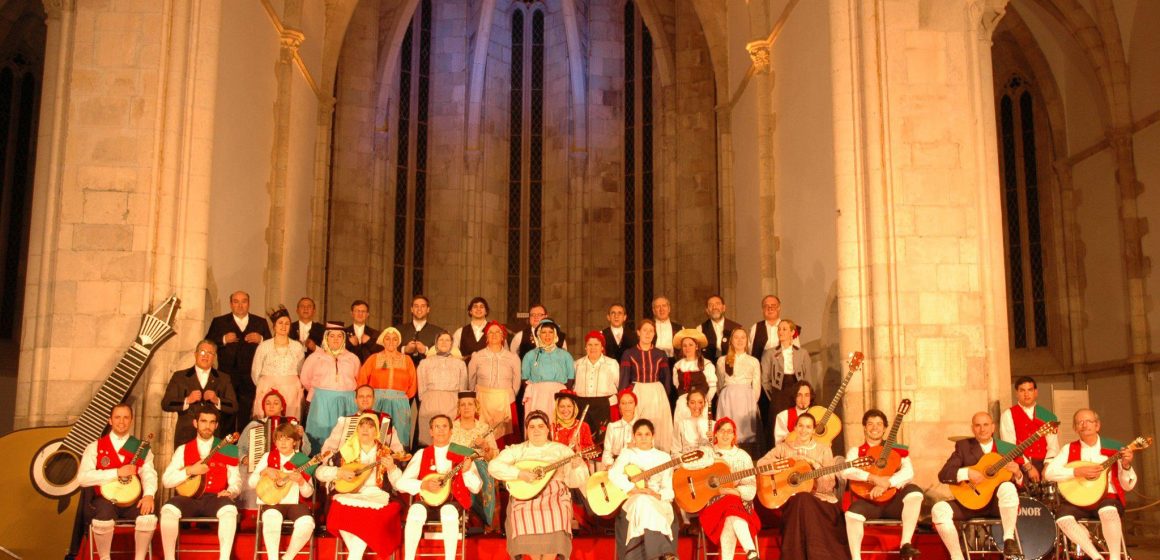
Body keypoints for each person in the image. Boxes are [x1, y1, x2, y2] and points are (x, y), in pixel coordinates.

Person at [488, 411, 590, 560]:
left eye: (541, 426)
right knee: (522, 514)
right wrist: (520, 474)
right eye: (532, 427)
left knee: (556, 514)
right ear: (527, 430)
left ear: (548, 429)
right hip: (525, 499)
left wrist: (576, 466)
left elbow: (574, 481)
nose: (536, 430)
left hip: (555, 498)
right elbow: (493, 467)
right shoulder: (518, 450)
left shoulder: (561, 450)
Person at [930, 412, 1025, 560]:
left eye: (986, 425)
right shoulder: (964, 446)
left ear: (993, 427)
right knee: (939, 510)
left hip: (997, 505)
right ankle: (957, 556)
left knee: (1008, 487)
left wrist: (1018, 473)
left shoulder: (1007, 449)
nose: (982, 429)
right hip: (970, 504)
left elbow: (1025, 486)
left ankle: (1008, 540)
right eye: (978, 425)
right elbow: (944, 474)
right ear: (972, 429)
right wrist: (967, 473)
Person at [1045, 408, 1137, 560]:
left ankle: (1114, 557)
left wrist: (1126, 465)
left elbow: (1127, 485)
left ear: (1097, 425)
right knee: (1062, 517)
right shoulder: (1069, 449)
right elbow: (1049, 473)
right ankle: (1096, 557)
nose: (1084, 425)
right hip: (1079, 500)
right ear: (1075, 428)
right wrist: (1077, 472)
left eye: (1089, 421)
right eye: (1080, 422)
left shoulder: (1115, 448)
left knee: (1107, 509)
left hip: (1107, 497)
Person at [757, 412, 847, 560]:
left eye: (808, 427)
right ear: (794, 428)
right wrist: (786, 465)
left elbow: (830, 483)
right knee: (801, 499)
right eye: (800, 426)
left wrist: (815, 466)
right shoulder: (784, 448)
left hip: (820, 501)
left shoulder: (823, 449)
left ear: (813, 430)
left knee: (804, 498)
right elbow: (761, 464)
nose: (804, 430)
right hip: (793, 502)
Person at [314, 414, 404, 560]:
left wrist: (393, 468)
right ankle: (355, 555)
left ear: (376, 431)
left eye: (370, 426)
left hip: (376, 496)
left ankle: (354, 556)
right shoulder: (346, 451)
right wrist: (339, 472)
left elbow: (400, 485)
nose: (365, 430)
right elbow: (319, 473)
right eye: (362, 426)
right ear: (357, 429)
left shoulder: (387, 453)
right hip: (348, 494)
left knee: (364, 518)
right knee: (338, 509)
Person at [77, 404, 157, 560]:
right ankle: (105, 558)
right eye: (117, 417)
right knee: (103, 515)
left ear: (131, 421)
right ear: (110, 421)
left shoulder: (141, 447)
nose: (122, 421)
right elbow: (82, 478)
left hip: (133, 501)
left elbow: (149, 473)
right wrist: (116, 472)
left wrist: (148, 495)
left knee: (148, 516)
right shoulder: (95, 447)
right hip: (104, 500)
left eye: (126, 417)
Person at [397, 415, 483, 560]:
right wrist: (422, 484)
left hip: (452, 501)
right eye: (437, 426)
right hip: (426, 502)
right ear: (431, 431)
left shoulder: (463, 454)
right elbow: (400, 484)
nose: (441, 430)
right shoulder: (422, 454)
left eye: (444, 426)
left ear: (451, 431)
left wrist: (467, 471)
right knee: (414, 511)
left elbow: (476, 488)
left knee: (448, 512)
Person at [159, 409, 240, 560]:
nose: (207, 426)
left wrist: (231, 491)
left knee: (230, 510)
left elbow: (236, 481)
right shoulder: (183, 449)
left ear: (216, 425)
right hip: (189, 499)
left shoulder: (228, 449)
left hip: (215, 498)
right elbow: (166, 480)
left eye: (211, 422)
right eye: (203, 421)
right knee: (168, 509)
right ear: (195, 423)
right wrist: (189, 470)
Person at [842, 409, 923, 560]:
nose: (875, 427)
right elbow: (846, 471)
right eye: (870, 424)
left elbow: (909, 472)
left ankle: (905, 545)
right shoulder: (857, 451)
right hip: (868, 503)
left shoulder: (898, 450)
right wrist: (873, 478)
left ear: (885, 428)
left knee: (915, 492)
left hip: (893, 503)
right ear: (864, 427)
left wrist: (887, 483)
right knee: (852, 513)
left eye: (879, 424)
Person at [609, 419, 677, 560]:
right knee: (641, 501)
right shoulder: (628, 453)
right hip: (633, 499)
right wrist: (633, 488)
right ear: (634, 436)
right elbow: (613, 473)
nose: (643, 438)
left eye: (647, 434)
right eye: (639, 434)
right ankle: (663, 553)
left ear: (653, 436)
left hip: (657, 500)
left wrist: (654, 494)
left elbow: (668, 490)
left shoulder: (664, 457)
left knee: (646, 503)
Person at [205, 290, 271, 432]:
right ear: (230, 304)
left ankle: (244, 446)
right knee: (226, 411)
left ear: (249, 303)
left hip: (250, 376)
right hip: (226, 376)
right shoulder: (219, 322)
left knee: (247, 412)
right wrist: (223, 339)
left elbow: (271, 345)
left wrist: (260, 339)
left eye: (244, 301)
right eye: (236, 301)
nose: (240, 305)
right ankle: (225, 446)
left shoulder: (260, 322)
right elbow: (207, 343)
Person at [249, 422, 317, 560]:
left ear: (295, 442)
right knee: (271, 518)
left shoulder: (303, 460)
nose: (283, 442)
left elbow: (308, 493)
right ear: (275, 441)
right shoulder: (268, 457)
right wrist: (265, 471)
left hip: (296, 504)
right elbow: (251, 483)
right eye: (280, 439)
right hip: (273, 502)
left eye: (287, 439)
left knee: (307, 523)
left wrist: (301, 481)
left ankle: (288, 557)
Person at [238, 389, 309, 511]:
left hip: (286, 470)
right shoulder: (254, 425)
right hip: (261, 469)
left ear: (282, 407)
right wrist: (244, 457)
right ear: (263, 407)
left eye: (276, 403)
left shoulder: (293, 425)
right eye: (268, 403)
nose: (271, 406)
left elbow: (306, 451)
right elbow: (241, 446)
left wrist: (302, 437)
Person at [699, 418, 760, 560]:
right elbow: (688, 467)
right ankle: (751, 552)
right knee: (730, 507)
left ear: (734, 435)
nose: (725, 435)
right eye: (721, 431)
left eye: (729, 431)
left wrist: (732, 491)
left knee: (730, 506)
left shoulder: (743, 456)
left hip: (739, 504)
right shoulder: (706, 452)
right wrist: (713, 462)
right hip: (712, 505)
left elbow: (751, 487)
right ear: (715, 434)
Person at [161, 340, 238, 444]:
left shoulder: (223, 378)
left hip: (213, 437)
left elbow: (234, 406)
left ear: (214, 357)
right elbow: (166, 403)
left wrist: (217, 400)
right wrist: (187, 400)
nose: (205, 356)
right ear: (195, 354)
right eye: (202, 352)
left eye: (209, 353)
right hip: (185, 435)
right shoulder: (180, 377)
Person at [300, 322, 360, 451]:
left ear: (343, 338)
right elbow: (305, 379)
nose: (336, 339)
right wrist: (322, 393)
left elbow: (357, 378)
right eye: (332, 336)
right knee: (320, 436)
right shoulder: (315, 357)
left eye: (339, 336)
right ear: (326, 338)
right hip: (321, 402)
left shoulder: (352, 358)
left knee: (345, 437)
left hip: (347, 402)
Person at [619, 319, 674, 451]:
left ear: (654, 334)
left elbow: (666, 378)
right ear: (638, 332)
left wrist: (664, 395)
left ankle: (659, 455)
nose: (648, 334)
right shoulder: (629, 353)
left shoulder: (660, 354)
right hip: (637, 392)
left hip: (656, 393)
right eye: (645, 330)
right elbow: (624, 378)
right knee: (639, 423)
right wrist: (624, 397)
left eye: (651, 331)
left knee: (658, 424)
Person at [357, 327, 418, 446]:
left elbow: (413, 385)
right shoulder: (373, 358)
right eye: (388, 339)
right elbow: (362, 380)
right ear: (383, 341)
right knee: (377, 433)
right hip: (377, 401)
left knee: (400, 433)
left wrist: (400, 397)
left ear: (399, 342)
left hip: (399, 403)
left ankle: (400, 461)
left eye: (395, 339)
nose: (391, 342)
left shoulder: (407, 359)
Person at [467, 321, 521, 444]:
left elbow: (516, 382)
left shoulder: (513, 357)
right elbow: (471, 380)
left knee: (504, 438)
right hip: (482, 400)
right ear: (486, 336)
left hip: (505, 400)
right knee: (482, 435)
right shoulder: (477, 356)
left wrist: (509, 396)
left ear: (503, 336)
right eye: (491, 332)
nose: (494, 335)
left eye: (498, 332)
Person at [450, 392, 499, 529]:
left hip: (480, 467)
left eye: (470, 404)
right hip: (457, 466)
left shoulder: (484, 428)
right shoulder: (451, 427)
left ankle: (482, 521)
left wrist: (484, 446)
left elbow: (493, 457)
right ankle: (464, 520)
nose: (466, 407)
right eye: (463, 404)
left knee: (479, 472)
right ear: (459, 408)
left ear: (476, 407)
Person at [320, 384, 409, 458]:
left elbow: (396, 447)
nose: (365, 399)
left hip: (375, 466)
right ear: (356, 400)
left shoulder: (384, 421)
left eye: (368, 396)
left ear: (374, 400)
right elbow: (328, 447)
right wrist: (334, 464)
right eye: (361, 397)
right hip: (347, 466)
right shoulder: (345, 421)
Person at [998, 375, 1059, 480]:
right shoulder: (1008, 414)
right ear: (1016, 393)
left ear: (1036, 392)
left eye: (1030, 390)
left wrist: (1047, 467)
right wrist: (1028, 467)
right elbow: (1009, 446)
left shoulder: (1049, 416)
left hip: (1045, 464)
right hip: (1019, 465)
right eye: (1022, 391)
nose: (1026, 394)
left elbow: (1053, 446)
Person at [250, 306, 306, 418]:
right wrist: (265, 384)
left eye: (287, 323)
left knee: (289, 423)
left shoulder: (297, 347)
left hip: (291, 391)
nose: (283, 326)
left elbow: (301, 371)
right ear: (274, 326)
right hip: (267, 389)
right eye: (280, 323)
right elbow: (255, 371)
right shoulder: (264, 346)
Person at [761, 319, 816, 429]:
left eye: (784, 329)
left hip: (797, 389)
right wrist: (774, 395)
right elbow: (765, 380)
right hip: (779, 392)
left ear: (792, 332)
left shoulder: (802, 353)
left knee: (798, 419)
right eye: (779, 329)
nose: (780, 332)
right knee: (777, 423)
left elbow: (808, 378)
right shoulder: (770, 353)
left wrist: (805, 395)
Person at [416, 332, 468, 445]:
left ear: (452, 344)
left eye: (447, 340)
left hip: (452, 403)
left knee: (450, 436)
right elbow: (421, 388)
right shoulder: (425, 363)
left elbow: (463, 387)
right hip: (430, 402)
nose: (444, 342)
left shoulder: (459, 364)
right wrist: (427, 399)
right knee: (430, 437)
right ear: (436, 343)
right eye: (441, 340)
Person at [716, 328, 761, 448]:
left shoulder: (753, 361)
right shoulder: (722, 361)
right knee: (727, 428)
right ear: (731, 341)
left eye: (743, 337)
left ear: (747, 341)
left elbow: (756, 386)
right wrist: (724, 396)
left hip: (746, 399)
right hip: (728, 398)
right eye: (736, 337)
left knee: (745, 432)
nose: (740, 340)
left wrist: (752, 402)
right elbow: (720, 383)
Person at [572, 330, 620, 443]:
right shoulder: (577, 364)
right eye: (590, 345)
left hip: (604, 405)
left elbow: (617, 384)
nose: (593, 348)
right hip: (582, 405)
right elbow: (573, 385)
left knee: (604, 438)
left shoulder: (612, 364)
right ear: (585, 347)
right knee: (584, 438)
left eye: (596, 345)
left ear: (602, 347)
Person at [521, 319, 575, 418]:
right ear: (538, 334)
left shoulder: (565, 355)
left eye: (550, 332)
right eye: (544, 332)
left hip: (558, 396)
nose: (547, 336)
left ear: (555, 334)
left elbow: (571, 378)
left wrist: (562, 394)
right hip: (536, 396)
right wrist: (536, 390)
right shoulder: (530, 355)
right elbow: (524, 378)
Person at [671, 328, 716, 425]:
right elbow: (677, 385)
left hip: (700, 405)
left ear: (696, 346)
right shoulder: (677, 366)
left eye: (690, 345)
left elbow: (712, 386)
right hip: (683, 404)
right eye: (684, 346)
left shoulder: (706, 364)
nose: (687, 348)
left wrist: (704, 402)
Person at [397, 295, 446, 367]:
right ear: (411, 309)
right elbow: (388, 351)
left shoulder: (439, 332)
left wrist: (426, 351)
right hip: (404, 372)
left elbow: (444, 354)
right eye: (416, 306)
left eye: (423, 306)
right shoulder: (399, 330)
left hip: (429, 372)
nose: (419, 309)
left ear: (428, 309)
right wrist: (404, 350)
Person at [601, 389, 639, 471]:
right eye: (623, 403)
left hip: (637, 468)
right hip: (615, 467)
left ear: (635, 404)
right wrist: (612, 467)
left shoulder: (642, 426)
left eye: (630, 403)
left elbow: (648, 450)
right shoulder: (612, 427)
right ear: (619, 406)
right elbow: (607, 452)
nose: (627, 406)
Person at [697, 295, 742, 363]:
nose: (714, 307)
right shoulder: (700, 329)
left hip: (732, 366)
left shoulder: (736, 328)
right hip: (709, 368)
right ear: (707, 311)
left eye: (717, 304)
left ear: (724, 308)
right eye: (711, 305)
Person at [774, 381, 814, 447]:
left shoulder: (818, 414)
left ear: (811, 397)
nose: (803, 400)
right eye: (799, 395)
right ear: (794, 397)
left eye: (807, 395)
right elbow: (779, 444)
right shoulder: (783, 416)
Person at [671, 388, 711, 454]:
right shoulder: (681, 425)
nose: (697, 406)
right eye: (692, 402)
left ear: (705, 403)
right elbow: (675, 451)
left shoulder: (713, 424)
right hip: (687, 463)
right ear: (687, 404)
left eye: (700, 402)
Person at [344, 300, 383, 364]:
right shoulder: (343, 333)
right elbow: (337, 351)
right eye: (357, 311)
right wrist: (349, 343)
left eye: (363, 311)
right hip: (349, 369)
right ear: (351, 313)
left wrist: (370, 342)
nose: (360, 314)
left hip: (369, 369)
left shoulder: (375, 333)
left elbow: (381, 352)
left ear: (367, 314)